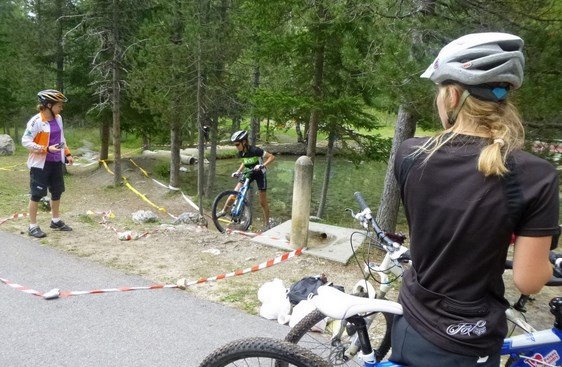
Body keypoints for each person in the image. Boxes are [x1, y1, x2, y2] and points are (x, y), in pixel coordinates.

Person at [391, 33, 559, 366]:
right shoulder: (536, 175)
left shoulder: (410, 154)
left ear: (452, 96)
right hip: (469, 339)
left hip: (411, 321)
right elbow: (529, 280)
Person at [22, 89, 74, 238]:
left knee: (57, 192)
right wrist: (46, 149)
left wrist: (67, 154)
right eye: (59, 105)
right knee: (36, 195)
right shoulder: (36, 122)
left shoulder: (58, 118)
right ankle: (32, 226)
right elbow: (25, 141)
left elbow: (61, 138)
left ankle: (55, 220)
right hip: (40, 164)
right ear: (48, 105)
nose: (61, 108)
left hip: (56, 162)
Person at [221, 130, 275, 229]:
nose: (236, 147)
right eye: (235, 145)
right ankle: (223, 211)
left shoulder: (255, 150)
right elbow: (244, 162)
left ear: (244, 142)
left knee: (262, 201)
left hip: (259, 174)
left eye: (237, 144)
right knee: (234, 193)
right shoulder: (241, 152)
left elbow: (271, 157)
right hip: (249, 172)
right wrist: (238, 171)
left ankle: (267, 224)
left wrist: (262, 165)